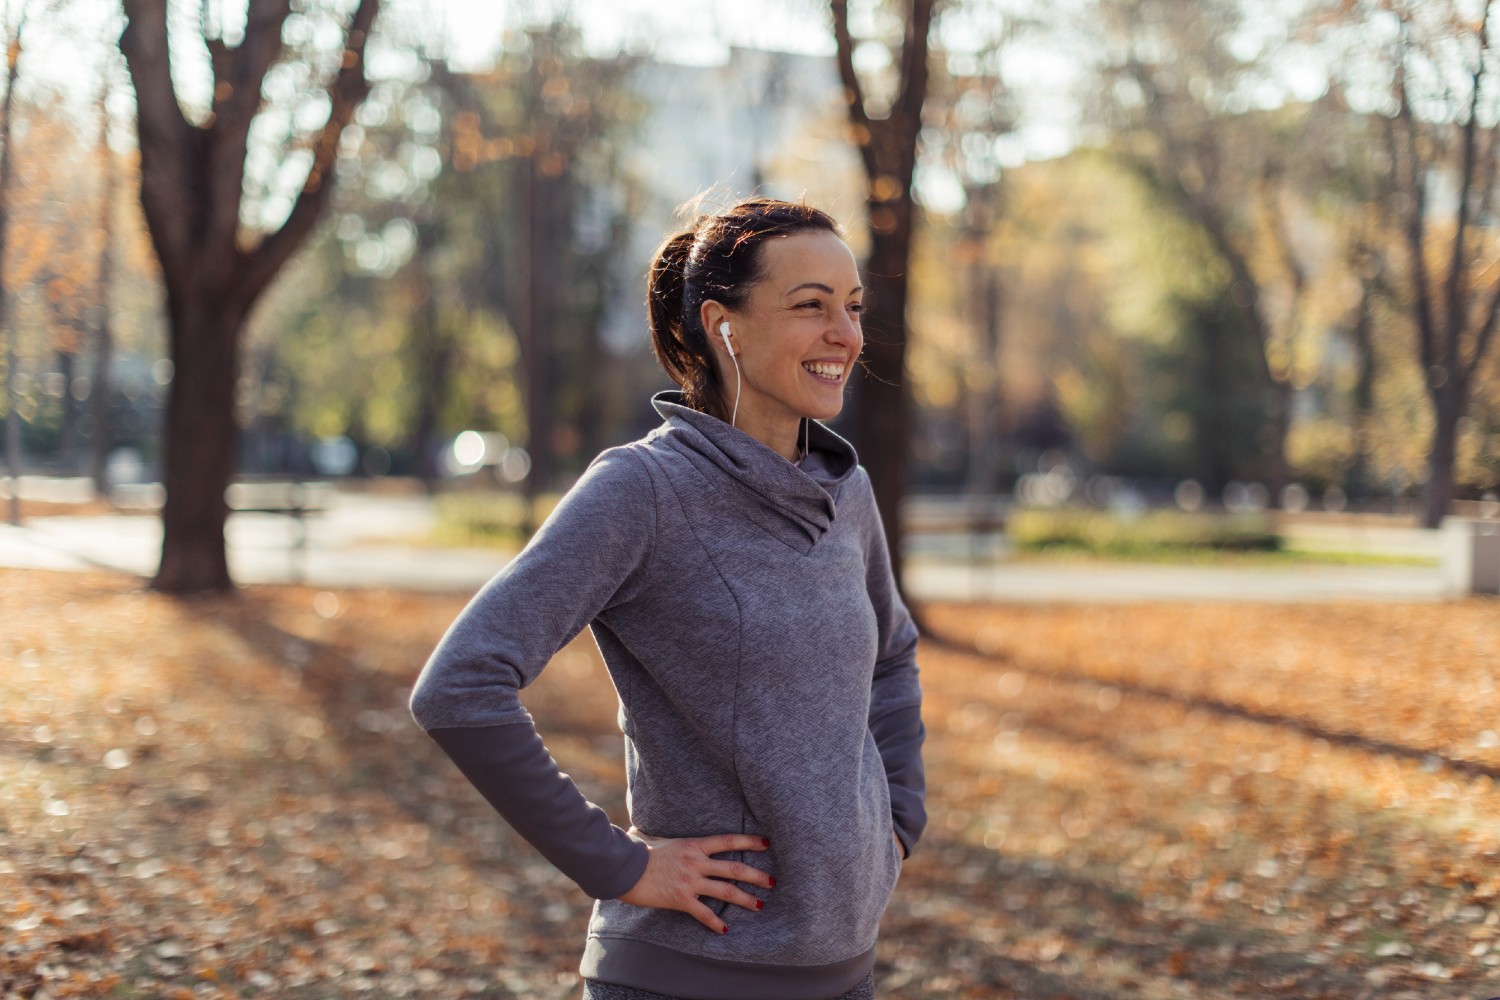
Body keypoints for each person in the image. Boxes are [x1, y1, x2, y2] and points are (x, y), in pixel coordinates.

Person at [409, 197, 926, 1000]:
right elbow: (460, 686)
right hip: (688, 978)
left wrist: (895, 822)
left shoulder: (844, 490)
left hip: (843, 972)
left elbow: (891, 654)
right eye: (811, 307)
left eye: (852, 308)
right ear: (725, 325)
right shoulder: (644, 489)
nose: (846, 336)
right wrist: (618, 865)